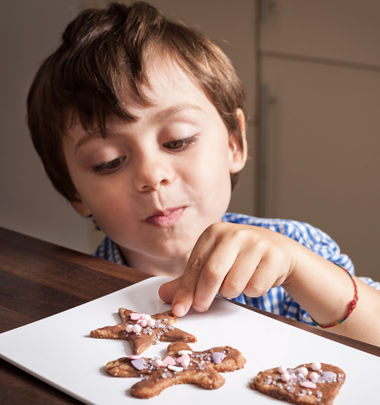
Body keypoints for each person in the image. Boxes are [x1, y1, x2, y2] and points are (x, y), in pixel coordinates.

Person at [27, 1, 380, 346]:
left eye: (178, 141)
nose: (152, 175)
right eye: (109, 161)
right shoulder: (71, 297)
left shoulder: (295, 257)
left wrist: (300, 269)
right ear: (74, 192)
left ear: (234, 143)